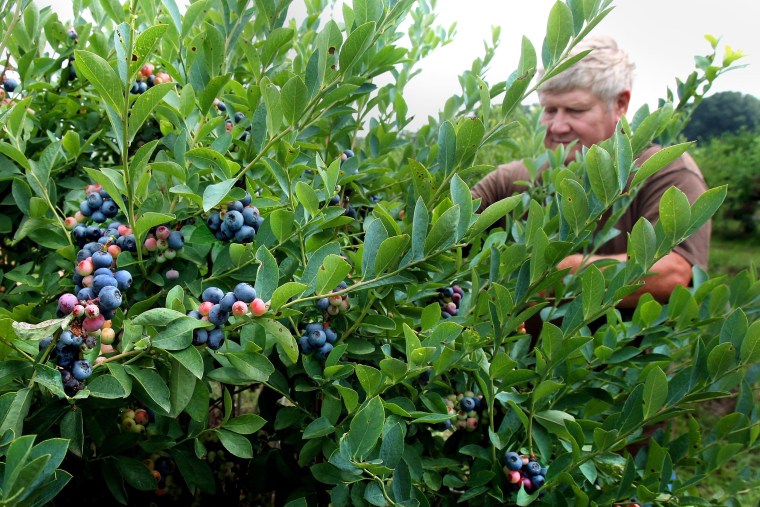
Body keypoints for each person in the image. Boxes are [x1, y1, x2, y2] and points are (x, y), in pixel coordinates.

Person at [471, 35, 710, 307]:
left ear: (620, 104)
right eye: (550, 109)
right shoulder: (516, 178)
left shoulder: (665, 171)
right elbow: (446, 225)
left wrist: (542, 274)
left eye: (575, 110)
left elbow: (671, 272)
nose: (557, 126)